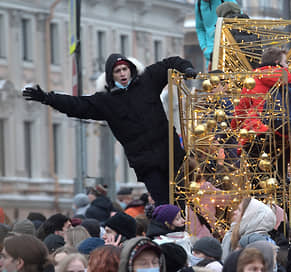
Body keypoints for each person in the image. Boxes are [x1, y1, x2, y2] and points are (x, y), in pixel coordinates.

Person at [22, 53, 196, 206]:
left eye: (124, 69)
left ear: (131, 69)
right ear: (111, 76)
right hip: (146, 163)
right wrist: (47, 98)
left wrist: (186, 68)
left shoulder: (147, 80)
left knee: (187, 198)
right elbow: (76, 105)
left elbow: (169, 63)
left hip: (171, 154)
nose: (122, 74)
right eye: (117, 71)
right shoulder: (105, 101)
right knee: (165, 204)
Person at [195, 0, 238, 69]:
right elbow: (200, 28)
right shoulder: (199, 4)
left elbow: (239, 20)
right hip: (210, 54)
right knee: (213, 79)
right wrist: (204, 47)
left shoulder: (227, 1)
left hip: (227, 52)